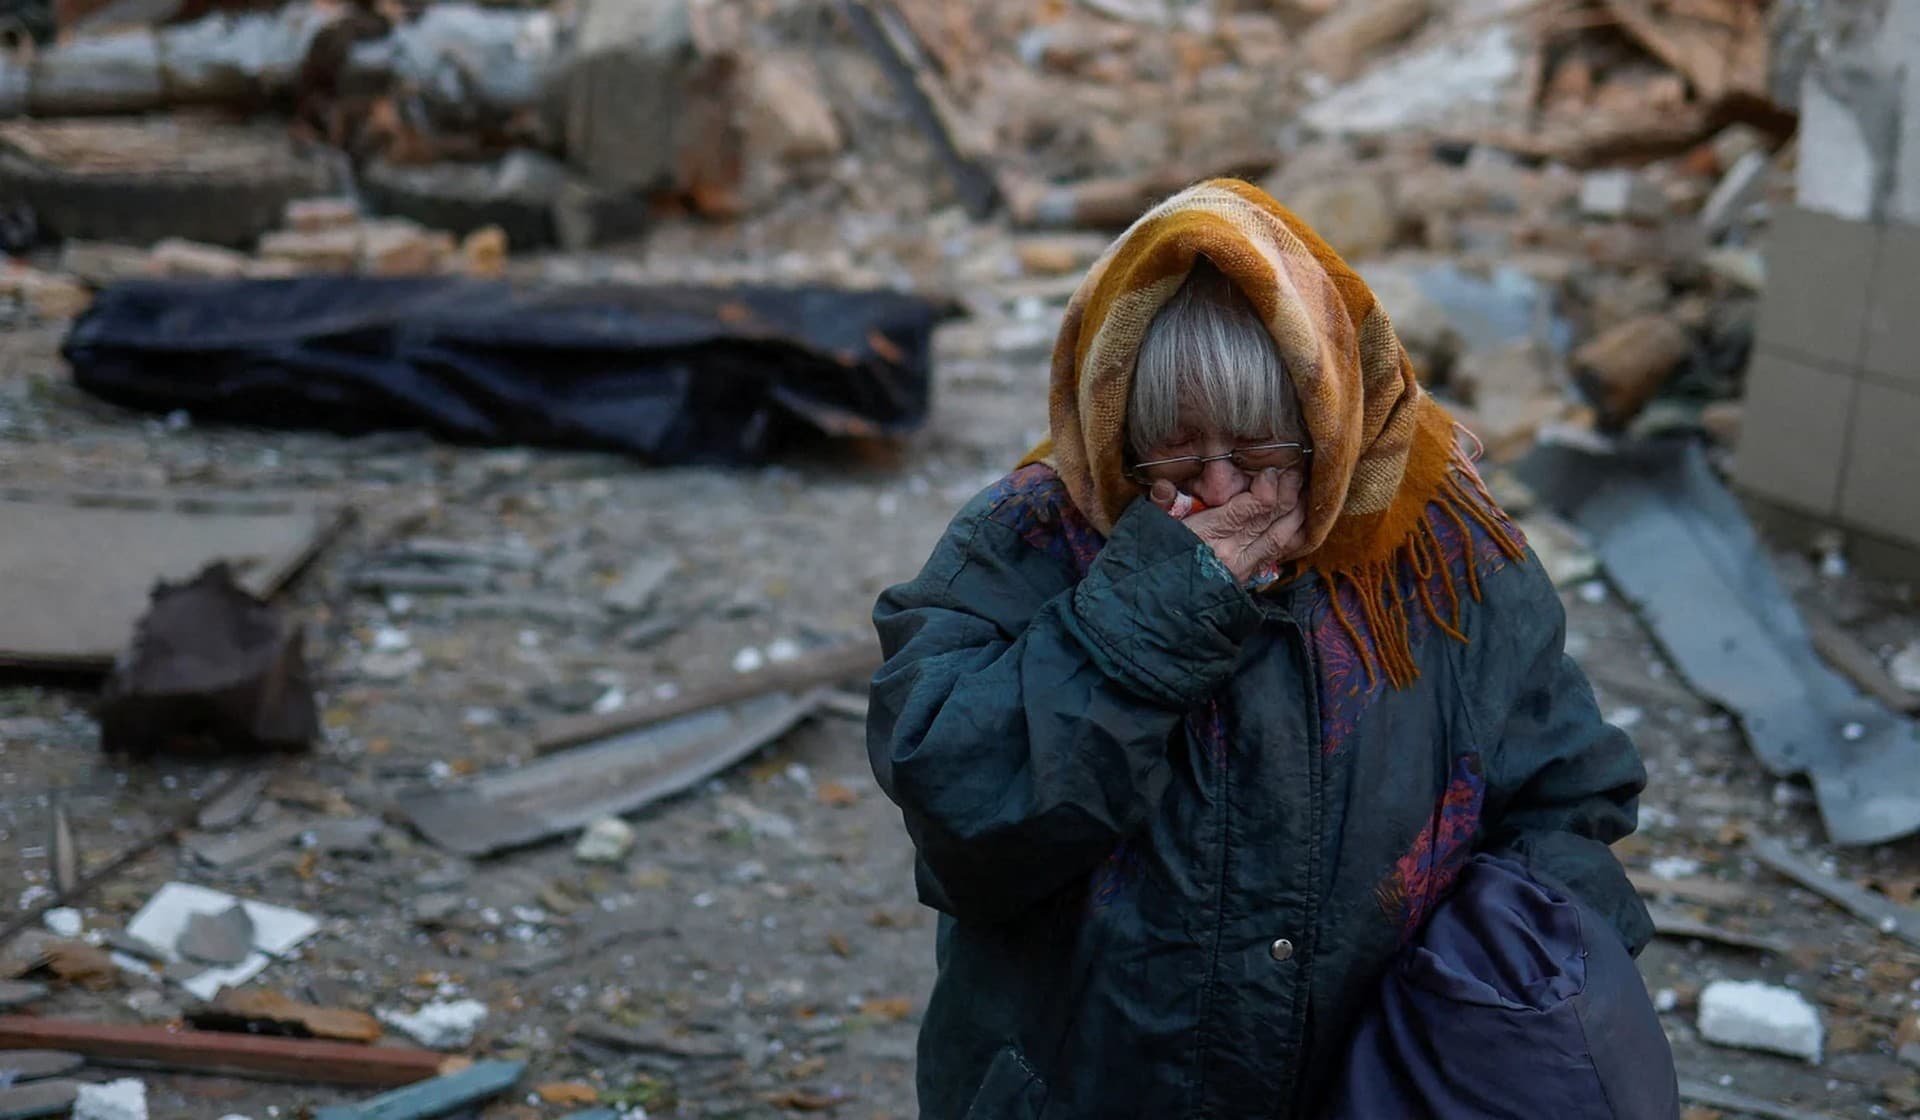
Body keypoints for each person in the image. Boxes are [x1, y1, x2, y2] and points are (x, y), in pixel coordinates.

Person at [866, 180, 1666, 1119]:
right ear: (1115, 424)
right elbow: (967, 818)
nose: (1215, 489)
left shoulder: (1443, 550)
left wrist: (1482, 1002)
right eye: (1171, 454)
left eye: (1258, 452)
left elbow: (1566, 800)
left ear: (1327, 418)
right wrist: (1154, 606)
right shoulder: (1031, 537)